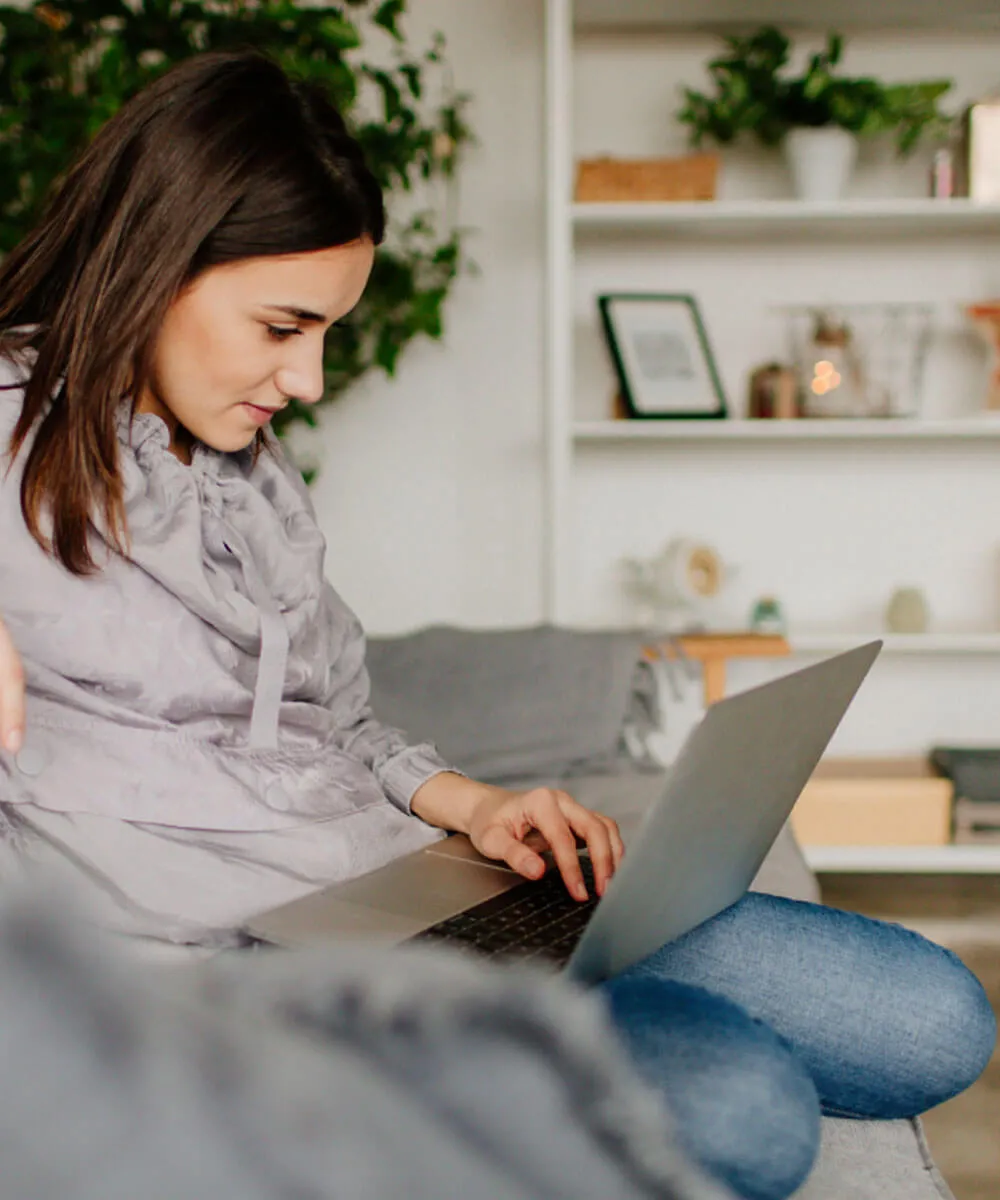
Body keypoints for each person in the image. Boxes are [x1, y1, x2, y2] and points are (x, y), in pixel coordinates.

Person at [0, 51, 993, 1200]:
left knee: (932, 1021)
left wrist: (474, 805)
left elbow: (338, 723)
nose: (310, 378)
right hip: (224, 972)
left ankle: (554, 1000)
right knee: (743, 1112)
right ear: (158, 262)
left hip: (388, 889)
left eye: (323, 333)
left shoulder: (247, 470)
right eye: (283, 326)